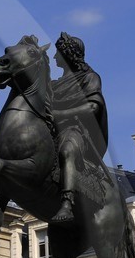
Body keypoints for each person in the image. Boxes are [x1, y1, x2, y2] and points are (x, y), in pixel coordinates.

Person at [47, 32, 110, 225]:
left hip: (77, 130)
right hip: (52, 129)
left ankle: (67, 202)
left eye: (58, 52)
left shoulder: (90, 78)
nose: (54, 56)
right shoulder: (54, 85)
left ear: (68, 54)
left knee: (67, 150)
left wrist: (61, 114)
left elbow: (93, 107)